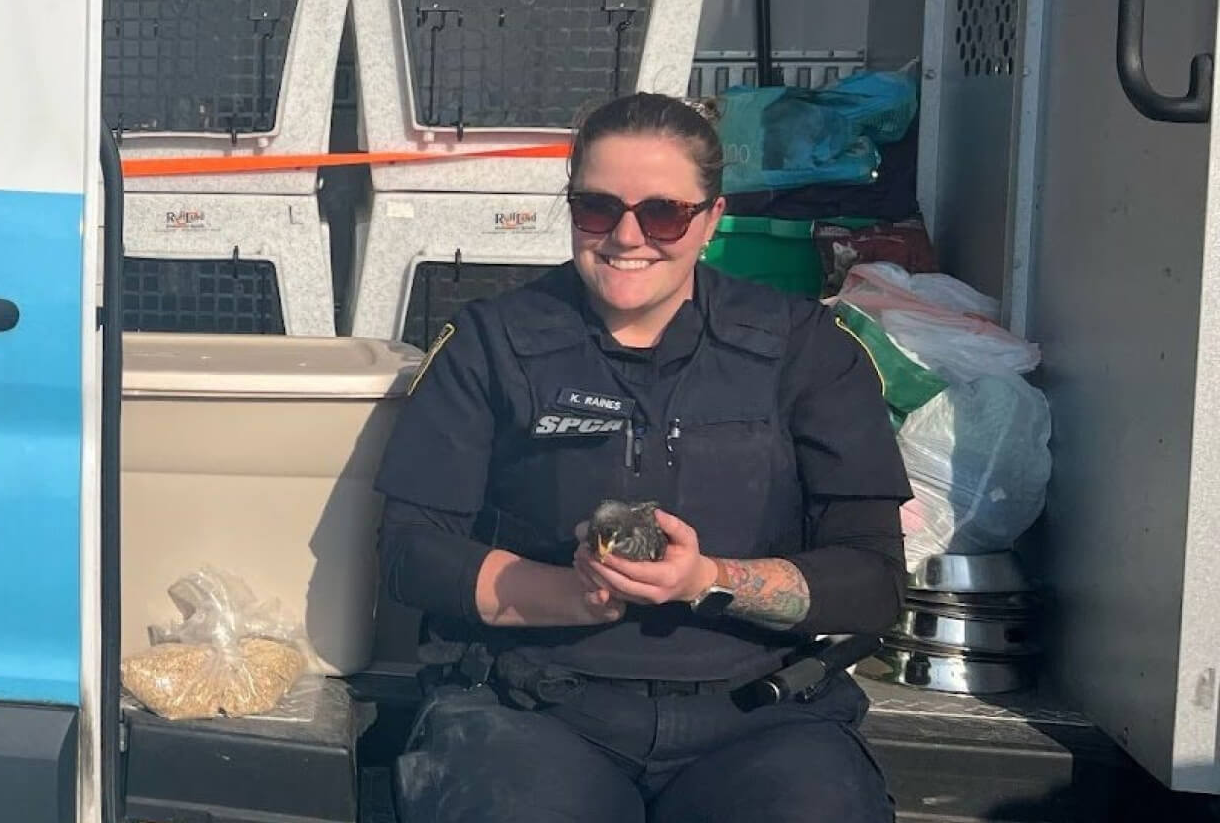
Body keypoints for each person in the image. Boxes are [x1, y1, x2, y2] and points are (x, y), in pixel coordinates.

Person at [377, 91, 910, 823]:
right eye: (597, 209)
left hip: (761, 718)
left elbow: (873, 582)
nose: (627, 236)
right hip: (535, 709)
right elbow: (409, 552)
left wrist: (709, 578)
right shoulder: (490, 344)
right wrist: (568, 592)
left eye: (663, 213)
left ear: (712, 219)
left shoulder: (806, 350)